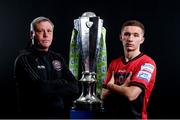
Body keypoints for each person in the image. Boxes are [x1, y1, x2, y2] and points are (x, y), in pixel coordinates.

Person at [14, 16, 79, 118]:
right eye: (40, 31)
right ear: (32, 34)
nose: (46, 35)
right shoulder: (24, 59)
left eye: (49, 31)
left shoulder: (57, 58)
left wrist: (49, 87)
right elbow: (40, 89)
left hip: (59, 115)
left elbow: (75, 87)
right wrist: (61, 82)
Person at [102, 20, 156, 119]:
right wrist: (123, 88)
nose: (130, 39)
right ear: (121, 37)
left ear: (142, 39)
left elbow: (131, 94)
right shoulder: (114, 63)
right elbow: (103, 95)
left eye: (136, 35)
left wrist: (111, 86)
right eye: (127, 34)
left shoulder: (147, 63)